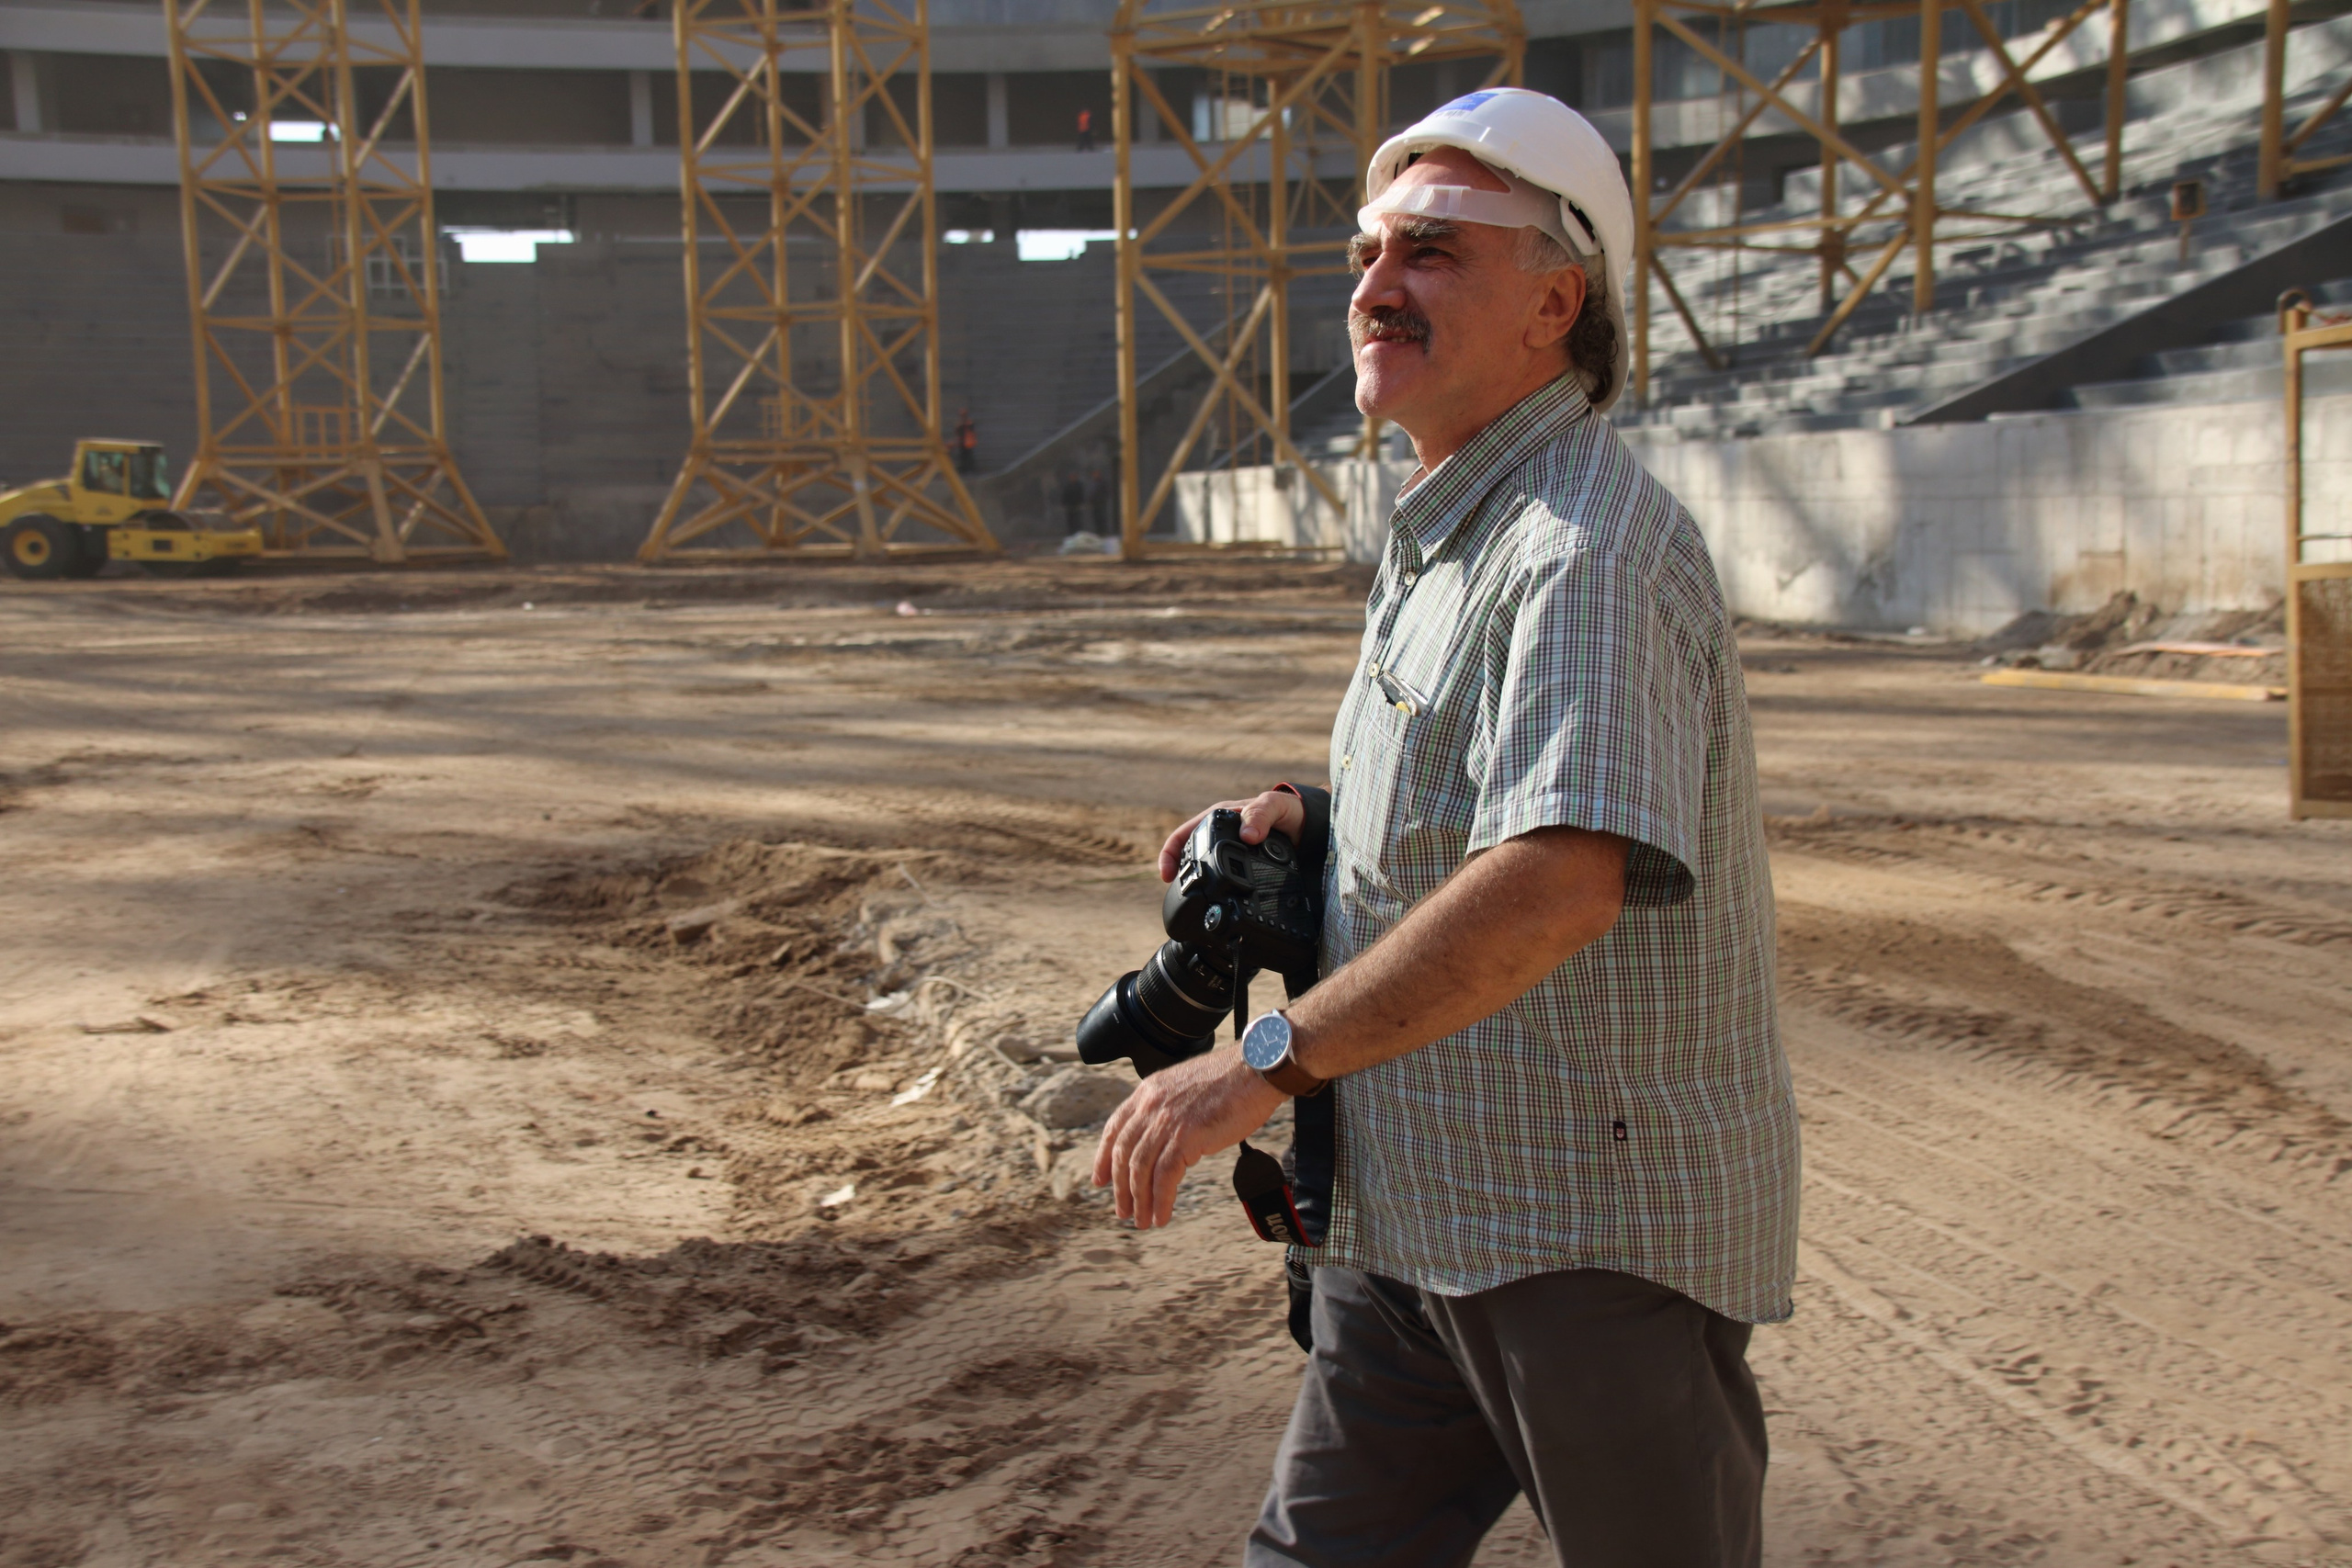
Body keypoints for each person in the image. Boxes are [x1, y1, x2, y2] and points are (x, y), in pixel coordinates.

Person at [1091, 88, 1799, 1568]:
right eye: (1368, 250)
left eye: (1431, 250)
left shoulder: (1581, 549)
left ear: (1557, 300)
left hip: (1582, 1239)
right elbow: (1498, 810)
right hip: (1415, 1217)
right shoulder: (1454, 527)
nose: (1372, 286)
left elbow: (1553, 882)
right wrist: (1315, 816)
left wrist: (1258, 1065)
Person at [954, 408, 978, 475]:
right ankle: (963, 470)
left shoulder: (969, 423)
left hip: (968, 443)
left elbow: (971, 429)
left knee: (969, 457)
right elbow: (957, 431)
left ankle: (970, 470)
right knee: (962, 457)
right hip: (962, 444)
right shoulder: (959, 424)